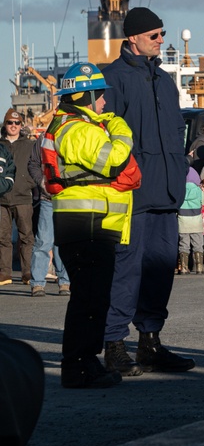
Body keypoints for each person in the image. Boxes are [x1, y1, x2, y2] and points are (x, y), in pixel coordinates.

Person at [101, 6, 195, 376]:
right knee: (126, 271)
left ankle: (150, 342)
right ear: (133, 39)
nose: (161, 40)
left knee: (159, 270)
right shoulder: (114, 79)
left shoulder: (165, 81)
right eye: (154, 35)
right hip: (133, 195)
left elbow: (175, 133)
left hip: (166, 193)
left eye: (162, 34)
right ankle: (113, 344)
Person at [42, 62, 141, 388]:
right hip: (86, 226)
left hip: (87, 226)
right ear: (85, 95)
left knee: (92, 300)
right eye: (100, 97)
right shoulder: (77, 129)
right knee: (88, 301)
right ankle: (78, 367)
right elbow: (114, 157)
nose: (104, 104)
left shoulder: (73, 126)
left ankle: (87, 363)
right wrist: (121, 128)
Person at [27, 136, 71, 295]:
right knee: (44, 240)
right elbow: (33, 164)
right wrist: (42, 183)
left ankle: (65, 281)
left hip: (70, 198)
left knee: (65, 241)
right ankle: (38, 283)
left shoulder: (76, 133)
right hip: (48, 198)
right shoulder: (45, 138)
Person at [1, 109, 34, 286]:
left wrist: (30, 183)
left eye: (17, 123)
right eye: (10, 123)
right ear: (4, 125)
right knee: (2, 237)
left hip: (23, 196)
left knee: (27, 237)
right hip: (2, 198)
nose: (13, 126)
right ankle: (5, 273)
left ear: (21, 126)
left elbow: (37, 165)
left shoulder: (29, 145)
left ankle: (27, 272)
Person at [177, 167, 204, 274]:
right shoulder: (198, 190)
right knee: (198, 244)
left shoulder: (180, 190)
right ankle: (199, 267)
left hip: (183, 221)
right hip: (196, 221)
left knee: (184, 244)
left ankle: (184, 267)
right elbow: (203, 201)